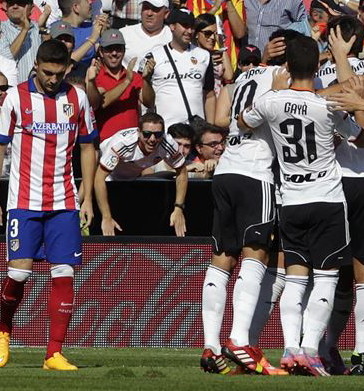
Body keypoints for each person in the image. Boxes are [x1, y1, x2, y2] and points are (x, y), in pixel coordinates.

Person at [241, 34, 364, 377]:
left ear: (288, 67)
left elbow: (241, 122)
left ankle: (290, 349)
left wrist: (273, 90)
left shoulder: (272, 101)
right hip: (326, 198)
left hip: (290, 199)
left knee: (294, 280)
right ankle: (311, 350)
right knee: (325, 278)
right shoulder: (327, 106)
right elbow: (358, 133)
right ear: (318, 66)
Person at [200, 29, 302, 377]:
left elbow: (219, 118)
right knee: (255, 254)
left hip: (226, 169)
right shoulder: (283, 77)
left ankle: (211, 348)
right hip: (256, 172)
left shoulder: (242, 76)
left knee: (220, 260)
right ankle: (240, 342)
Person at [0, 39, 97, 370]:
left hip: (64, 200)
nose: (54, 80)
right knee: (18, 274)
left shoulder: (77, 98)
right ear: (36, 66)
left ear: (68, 68)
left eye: (60, 73)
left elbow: (87, 146)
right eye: (48, 73)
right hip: (24, 201)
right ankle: (2, 331)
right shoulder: (16, 97)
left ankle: (53, 353)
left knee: (64, 272)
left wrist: (86, 195)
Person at [315, 18, 364, 375]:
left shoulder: (316, 73)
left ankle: (320, 349)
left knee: (330, 272)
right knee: (344, 273)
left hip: (335, 181)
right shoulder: (317, 73)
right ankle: (326, 349)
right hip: (343, 178)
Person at [94, 112, 188, 236]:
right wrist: (106, 217)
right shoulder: (122, 144)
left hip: (133, 178)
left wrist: (178, 208)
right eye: (147, 134)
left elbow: (182, 171)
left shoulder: (168, 143)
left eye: (158, 134)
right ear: (139, 132)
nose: (153, 139)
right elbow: (99, 178)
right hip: (108, 176)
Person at [147, 8, 216, 128]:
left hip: (196, 130)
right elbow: (143, 95)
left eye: (192, 26)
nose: (189, 31)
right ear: (172, 26)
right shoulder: (154, 55)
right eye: (185, 25)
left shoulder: (204, 56)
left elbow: (209, 95)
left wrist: (209, 128)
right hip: (165, 132)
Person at [86, 28, 155, 144]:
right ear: (101, 52)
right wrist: (126, 82)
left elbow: (149, 102)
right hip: (105, 142)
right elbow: (98, 104)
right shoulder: (95, 75)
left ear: (124, 51)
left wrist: (146, 80)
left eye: (118, 49)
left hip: (132, 143)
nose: (114, 53)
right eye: (109, 49)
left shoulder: (134, 76)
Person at [119, 0, 172, 71]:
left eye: (155, 9)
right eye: (146, 8)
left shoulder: (173, 36)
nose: (149, 13)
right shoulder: (124, 34)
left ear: (166, 13)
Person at [0, 0, 42, 83]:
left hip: (36, 91)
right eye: (11, 3)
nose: (15, 6)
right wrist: (25, 29)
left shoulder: (39, 29)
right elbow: (6, 59)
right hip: (12, 90)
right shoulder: (2, 28)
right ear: (6, 8)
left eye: (20, 3)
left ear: (31, 8)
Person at [193, 13, 234, 97]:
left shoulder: (218, 54)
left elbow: (229, 76)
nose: (212, 37)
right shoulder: (190, 54)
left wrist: (222, 45)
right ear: (196, 34)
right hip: (200, 99)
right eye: (207, 33)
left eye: (215, 34)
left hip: (218, 100)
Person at [58, 0, 108, 66]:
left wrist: (104, 35)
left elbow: (101, 55)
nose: (90, 2)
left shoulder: (92, 27)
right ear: (76, 7)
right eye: (87, 1)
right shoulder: (58, 30)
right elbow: (63, 62)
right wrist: (91, 40)